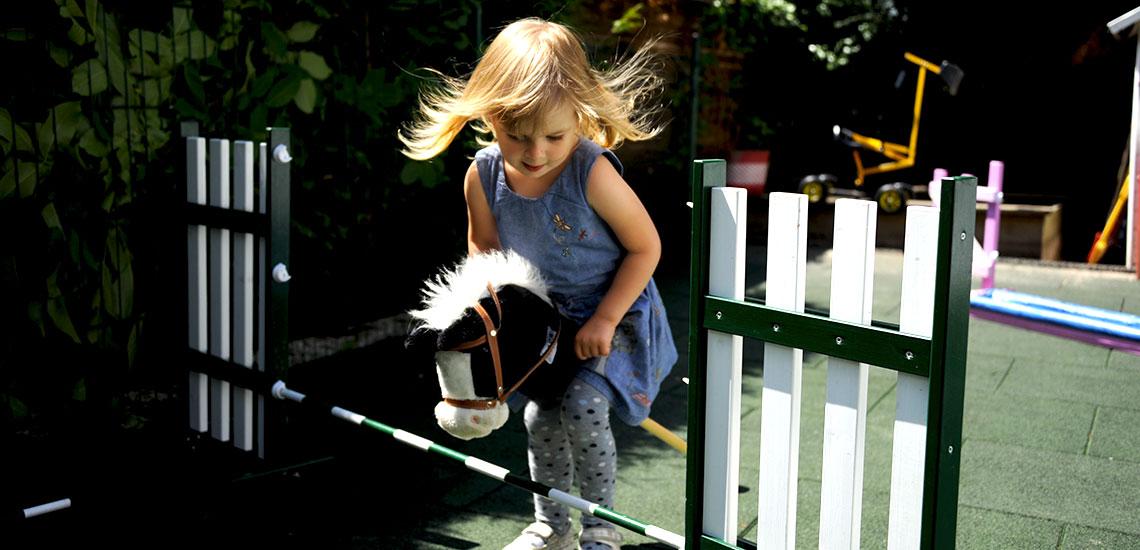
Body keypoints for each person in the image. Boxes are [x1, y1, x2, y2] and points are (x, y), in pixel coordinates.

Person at [400, 17, 677, 550]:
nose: (535, 153)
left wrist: (604, 318)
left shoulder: (591, 173)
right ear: (489, 117)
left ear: (581, 113)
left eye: (555, 135)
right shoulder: (481, 175)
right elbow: (484, 249)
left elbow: (647, 248)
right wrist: (497, 308)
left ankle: (600, 529)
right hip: (542, 320)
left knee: (583, 408)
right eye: (517, 136)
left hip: (611, 315)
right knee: (540, 416)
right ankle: (551, 527)